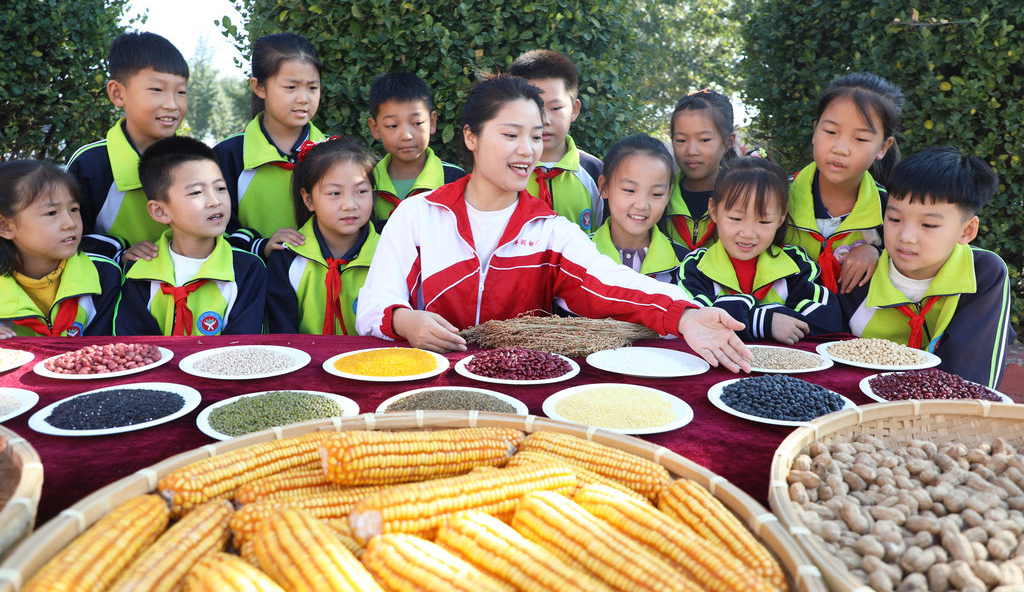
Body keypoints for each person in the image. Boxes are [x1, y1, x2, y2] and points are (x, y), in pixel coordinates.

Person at [356, 75, 751, 372]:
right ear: (471, 137)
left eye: (535, 136)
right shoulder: (420, 214)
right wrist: (404, 320)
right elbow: (373, 305)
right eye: (511, 134)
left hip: (519, 387)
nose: (527, 150)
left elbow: (609, 280)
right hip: (430, 379)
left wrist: (684, 315)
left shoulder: (548, 230)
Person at [840, 147, 1015, 388]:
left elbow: (970, 385)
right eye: (894, 219)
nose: (906, 237)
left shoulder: (982, 273)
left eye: (929, 224)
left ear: (967, 230)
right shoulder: (861, 274)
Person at [679, 157, 842, 344]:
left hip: (784, 370)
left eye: (763, 221)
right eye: (735, 218)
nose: (748, 233)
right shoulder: (696, 265)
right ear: (713, 210)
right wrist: (765, 322)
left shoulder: (796, 264)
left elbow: (827, 317)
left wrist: (741, 315)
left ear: (781, 218)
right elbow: (693, 317)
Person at [115, 136, 267, 336]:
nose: (215, 201)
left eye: (221, 188)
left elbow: (243, 348)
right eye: (196, 192)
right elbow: (136, 351)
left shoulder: (247, 269)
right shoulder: (139, 271)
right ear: (160, 211)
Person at [66, 31, 189, 261]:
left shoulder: (196, 162)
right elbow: (64, 237)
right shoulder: (91, 163)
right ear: (117, 93)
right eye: (157, 90)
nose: (172, 104)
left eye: (181, 92)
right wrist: (117, 253)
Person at [787, 73, 902, 294]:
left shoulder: (890, 208)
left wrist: (876, 252)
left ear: (883, 148)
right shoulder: (776, 196)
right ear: (815, 131)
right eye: (830, 132)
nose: (840, 148)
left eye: (860, 139)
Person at [214, 33, 326, 259]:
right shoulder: (228, 155)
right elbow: (213, 228)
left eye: (312, 88)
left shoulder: (333, 153)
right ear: (259, 87)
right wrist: (260, 245)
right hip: (248, 286)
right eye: (291, 87)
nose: (304, 98)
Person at [267, 137, 379, 334]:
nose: (350, 205)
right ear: (308, 199)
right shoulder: (287, 259)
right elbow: (282, 337)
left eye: (361, 191)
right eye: (335, 193)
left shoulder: (388, 253)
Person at [0, 161, 121, 338]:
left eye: (74, 209)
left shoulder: (105, 274)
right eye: (51, 213)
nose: (70, 224)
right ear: (5, 226)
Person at [508, 49, 603, 232]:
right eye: (535, 107)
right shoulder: (504, 167)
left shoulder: (595, 172)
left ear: (575, 109)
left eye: (556, 108)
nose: (545, 120)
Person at [365, 72, 465, 225]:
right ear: (375, 128)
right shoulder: (367, 183)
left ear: (432, 122)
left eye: (417, 123)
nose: (406, 135)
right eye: (392, 125)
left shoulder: (456, 180)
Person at [590, 134, 687, 284]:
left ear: (668, 194)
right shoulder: (578, 253)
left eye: (656, 194)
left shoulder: (686, 264)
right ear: (604, 186)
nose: (642, 205)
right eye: (630, 190)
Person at [664, 89, 737, 250]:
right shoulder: (659, 198)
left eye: (704, 139)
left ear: (728, 142)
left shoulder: (743, 199)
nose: (691, 150)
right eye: (681, 140)